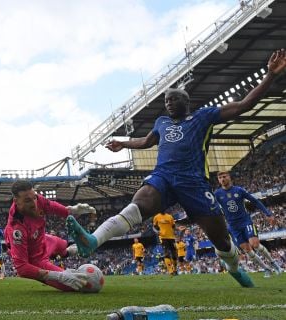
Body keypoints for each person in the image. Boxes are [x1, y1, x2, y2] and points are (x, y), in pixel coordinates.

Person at [66, 49, 286, 287]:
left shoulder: (204, 117)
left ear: (186, 101)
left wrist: (270, 76)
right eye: (166, 100)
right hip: (164, 177)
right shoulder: (161, 123)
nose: (169, 103)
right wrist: (123, 143)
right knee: (137, 204)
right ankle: (92, 241)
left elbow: (244, 104)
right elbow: (146, 141)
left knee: (222, 241)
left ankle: (234, 268)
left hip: (194, 183)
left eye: (173, 99)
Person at [4, 180, 95, 292]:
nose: (34, 204)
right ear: (16, 201)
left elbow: (51, 206)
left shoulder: (37, 199)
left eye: (34, 198)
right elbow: (21, 268)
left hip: (43, 240)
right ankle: (60, 262)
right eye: (27, 201)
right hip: (34, 258)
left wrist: (72, 210)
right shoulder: (16, 229)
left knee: (62, 244)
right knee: (78, 285)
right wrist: (58, 276)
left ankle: (66, 252)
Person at [215, 171, 281, 277]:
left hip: (245, 222)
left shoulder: (239, 190)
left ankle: (273, 263)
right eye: (220, 178)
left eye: (224, 176)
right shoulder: (217, 194)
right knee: (247, 250)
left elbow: (255, 201)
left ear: (229, 177)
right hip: (233, 226)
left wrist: (268, 214)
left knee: (255, 244)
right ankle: (266, 268)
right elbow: (212, 207)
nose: (222, 179)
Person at [153, 211, 178, 276]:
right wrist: (157, 231)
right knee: (166, 253)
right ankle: (170, 271)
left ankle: (175, 269)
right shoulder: (156, 217)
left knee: (174, 255)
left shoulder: (170, 217)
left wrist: (176, 231)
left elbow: (173, 226)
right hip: (163, 237)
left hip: (171, 237)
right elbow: (154, 227)